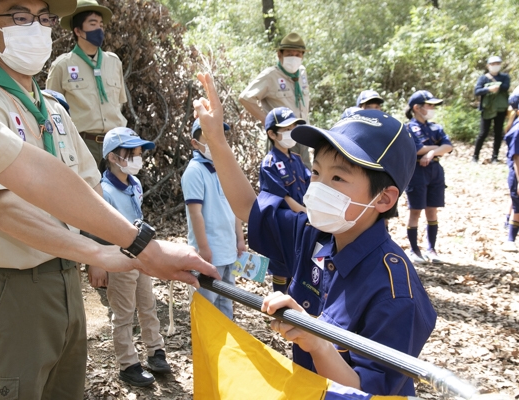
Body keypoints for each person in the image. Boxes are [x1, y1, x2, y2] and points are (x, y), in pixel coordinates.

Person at [0, 7, 217, 399]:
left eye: (44, 18)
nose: (38, 29)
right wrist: (102, 250)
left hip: (65, 281)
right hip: (12, 290)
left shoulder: (54, 110)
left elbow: (85, 187)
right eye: (21, 16)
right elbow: (7, 211)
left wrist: (131, 245)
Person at [194, 72, 437, 395]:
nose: (319, 188)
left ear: (384, 198)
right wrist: (217, 140)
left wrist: (318, 343)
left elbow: (369, 393)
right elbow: (248, 208)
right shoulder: (314, 235)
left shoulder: (395, 294)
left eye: (338, 179)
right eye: (317, 173)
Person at [94, 127, 172, 386]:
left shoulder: (135, 183)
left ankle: (155, 351)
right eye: (133, 154)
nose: (139, 159)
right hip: (119, 259)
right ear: (115, 158)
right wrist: (99, 263)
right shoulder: (104, 191)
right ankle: (128, 363)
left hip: (141, 257)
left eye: (140, 154)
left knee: (148, 304)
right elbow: (99, 229)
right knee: (124, 312)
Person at [46, 0, 127, 164]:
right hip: (82, 144)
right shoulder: (62, 66)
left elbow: (119, 102)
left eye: (101, 25)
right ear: (78, 30)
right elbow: (52, 111)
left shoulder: (114, 62)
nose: (99, 29)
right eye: (93, 24)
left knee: (116, 189)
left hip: (116, 143)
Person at [181, 118, 246, 319]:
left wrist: (240, 239)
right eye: (207, 137)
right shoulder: (194, 171)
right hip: (209, 253)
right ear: (195, 143)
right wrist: (204, 248)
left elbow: (235, 207)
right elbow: (195, 213)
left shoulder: (224, 170)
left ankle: (226, 347)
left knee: (226, 300)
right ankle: (205, 347)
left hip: (228, 249)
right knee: (207, 303)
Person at [239, 32, 312, 169]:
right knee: (283, 174)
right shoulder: (271, 75)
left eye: (298, 55)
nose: (294, 58)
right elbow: (246, 98)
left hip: (302, 133)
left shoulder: (301, 72)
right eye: (290, 54)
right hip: (283, 137)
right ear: (280, 54)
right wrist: (267, 120)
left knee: (306, 173)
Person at [259, 107, 309, 292]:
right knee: (282, 267)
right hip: (281, 225)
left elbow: (310, 184)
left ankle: (295, 306)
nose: (292, 132)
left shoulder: (296, 159)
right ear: (272, 134)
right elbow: (284, 197)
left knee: (299, 264)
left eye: (294, 127)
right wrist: (306, 212)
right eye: (287, 129)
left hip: (300, 221)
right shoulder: (269, 164)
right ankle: (279, 306)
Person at [404, 90, 453, 264]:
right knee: (415, 210)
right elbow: (416, 149)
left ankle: (431, 248)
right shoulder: (409, 127)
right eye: (429, 105)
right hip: (417, 171)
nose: (432, 108)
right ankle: (414, 249)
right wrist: (437, 147)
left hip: (435, 171)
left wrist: (432, 152)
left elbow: (448, 146)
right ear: (416, 108)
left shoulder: (436, 127)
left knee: (432, 210)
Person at [472, 55, 510, 163]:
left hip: (500, 109)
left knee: (498, 133)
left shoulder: (505, 77)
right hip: (487, 109)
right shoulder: (483, 78)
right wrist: (488, 89)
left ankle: (495, 157)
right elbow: (477, 91)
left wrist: (497, 87)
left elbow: (506, 87)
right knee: (483, 133)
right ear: (488, 65)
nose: (495, 66)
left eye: (497, 64)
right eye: (493, 64)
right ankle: (475, 156)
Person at [502, 92, 519, 252]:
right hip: (517, 173)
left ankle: (507, 224)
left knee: (515, 201)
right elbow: (517, 158)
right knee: (518, 205)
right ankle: (510, 239)